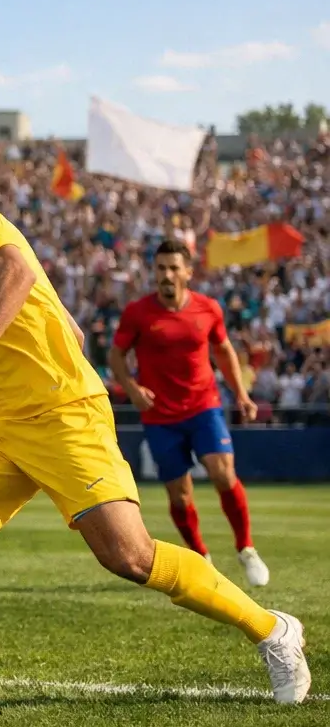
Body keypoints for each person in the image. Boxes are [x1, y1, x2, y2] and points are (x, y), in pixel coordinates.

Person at [0, 123, 308, 708]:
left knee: (130, 557)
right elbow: (58, 318)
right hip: (2, 422)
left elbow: (17, 274)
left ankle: (272, 631)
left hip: (61, 413)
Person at [109, 239, 268, 584]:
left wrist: (241, 393)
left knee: (222, 472)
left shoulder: (208, 308)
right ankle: (200, 555)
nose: (166, 274)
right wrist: (132, 389)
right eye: (161, 268)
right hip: (159, 416)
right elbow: (116, 356)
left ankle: (246, 549)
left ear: (188, 272)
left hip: (203, 406)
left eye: (173, 268)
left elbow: (224, 351)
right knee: (179, 495)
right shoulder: (138, 312)